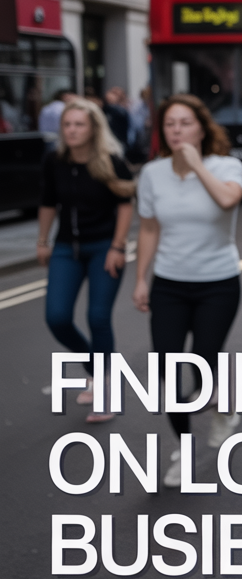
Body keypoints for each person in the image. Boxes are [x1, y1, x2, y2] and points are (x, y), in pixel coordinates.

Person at [133, 94, 242, 488]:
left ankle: (221, 405)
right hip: (169, 284)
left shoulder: (226, 166)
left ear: (201, 127)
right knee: (166, 369)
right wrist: (141, 278)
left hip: (217, 283)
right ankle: (184, 447)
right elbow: (148, 228)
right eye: (170, 124)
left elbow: (228, 199)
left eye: (185, 122)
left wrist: (197, 165)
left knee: (202, 365)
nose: (177, 130)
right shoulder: (153, 173)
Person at [37, 98, 135, 422]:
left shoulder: (110, 160)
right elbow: (49, 202)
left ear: (93, 128)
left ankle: (106, 390)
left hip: (104, 246)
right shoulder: (55, 161)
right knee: (57, 317)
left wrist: (118, 247)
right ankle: (96, 366)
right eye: (68, 124)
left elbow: (124, 204)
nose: (73, 130)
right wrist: (43, 241)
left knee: (97, 317)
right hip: (67, 248)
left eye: (79, 124)